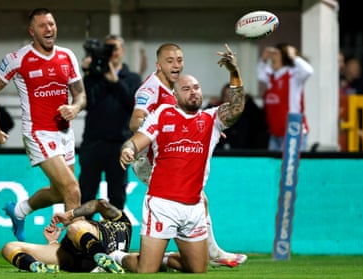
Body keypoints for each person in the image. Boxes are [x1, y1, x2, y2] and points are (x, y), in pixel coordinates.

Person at [110, 44, 245, 273]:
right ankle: (118, 257)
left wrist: (234, 72)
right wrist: (131, 147)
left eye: (196, 88)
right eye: (186, 89)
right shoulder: (160, 108)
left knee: (198, 268)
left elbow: (236, 108)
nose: (192, 91)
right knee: (146, 269)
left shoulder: (210, 119)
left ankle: (171, 257)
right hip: (159, 191)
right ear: (175, 94)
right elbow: (136, 129)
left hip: (190, 208)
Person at [0, 8, 87, 241]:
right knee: (73, 190)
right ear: (32, 31)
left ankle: (18, 210)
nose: (49, 29)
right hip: (38, 133)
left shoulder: (67, 56)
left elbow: (80, 95)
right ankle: (82, 249)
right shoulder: (18, 59)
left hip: (64, 133)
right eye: (42, 25)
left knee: (60, 193)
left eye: (51, 24)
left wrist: (75, 107)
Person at [78, 34, 142, 214]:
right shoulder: (93, 77)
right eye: (108, 48)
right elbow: (89, 102)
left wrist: (116, 82)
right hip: (93, 143)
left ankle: (116, 235)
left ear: (122, 51)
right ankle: (84, 233)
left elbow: (134, 104)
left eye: (115, 48)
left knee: (118, 194)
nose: (112, 52)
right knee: (87, 191)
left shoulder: (132, 78)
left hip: (119, 144)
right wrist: (89, 73)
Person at [2, 199, 131, 273]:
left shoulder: (121, 221)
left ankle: (102, 256)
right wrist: (53, 242)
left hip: (96, 246)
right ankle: (35, 266)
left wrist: (69, 215)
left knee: (75, 227)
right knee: (9, 247)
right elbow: (100, 205)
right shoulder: (124, 226)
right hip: (76, 258)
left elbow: (100, 204)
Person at [257, 43, 314, 151]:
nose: (272, 57)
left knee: (290, 168)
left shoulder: (293, 75)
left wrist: (294, 56)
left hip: (293, 133)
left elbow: (308, 71)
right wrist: (263, 60)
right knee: (274, 168)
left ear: (285, 57)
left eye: (276, 54)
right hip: (275, 134)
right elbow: (260, 74)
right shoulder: (272, 77)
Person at [206, 82, 269, 150]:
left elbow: (261, 124)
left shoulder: (245, 116)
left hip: (241, 156)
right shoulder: (216, 116)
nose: (229, 100)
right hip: (220, 156)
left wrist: (249, 101)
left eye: (232, 97)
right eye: (226, 96)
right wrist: (209, 105)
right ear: (222, 99)